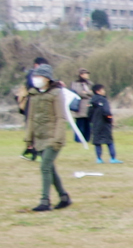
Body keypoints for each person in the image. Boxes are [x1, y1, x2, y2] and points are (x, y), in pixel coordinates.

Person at [21, 63, 71, 212]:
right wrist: (29, 139)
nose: (36, 79)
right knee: (50, 168)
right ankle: (64, 197)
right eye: (35, 76)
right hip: (39, 137)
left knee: (44, 167)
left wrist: (57, 139)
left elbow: (61, 118)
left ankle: (45, 201)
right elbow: (30, 118)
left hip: (53, 137)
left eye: (39, 76)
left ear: (47, 78)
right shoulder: (33, 94)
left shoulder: (57, 93)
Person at [86, 83, 121, 164]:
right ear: (98, 91)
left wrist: (92, 121)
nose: (104, 91)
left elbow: (89, 114)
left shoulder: (91, 101)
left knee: (97, 142)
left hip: (95, 124)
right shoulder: (104, 100)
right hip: (105, 124)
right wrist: (110, 119)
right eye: (102, 90)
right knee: (109, 141)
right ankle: (112, 158)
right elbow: (106, 112)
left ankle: (99, 159)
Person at [70, 69, 94, 146]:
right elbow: (79, 92)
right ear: (81, 74)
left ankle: (87, 138)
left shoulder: (90, 83)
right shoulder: (76, 83)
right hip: (80, 106)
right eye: (85, 74)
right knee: (80, 124)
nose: (87, 75)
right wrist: (88, 93)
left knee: (87, 124)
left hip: (88, 106)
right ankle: (78, 139)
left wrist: (87, 93)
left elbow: (92, 92)